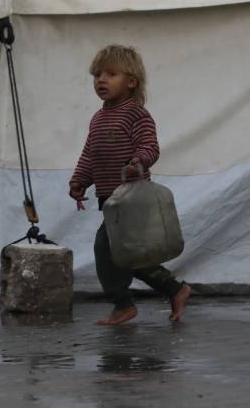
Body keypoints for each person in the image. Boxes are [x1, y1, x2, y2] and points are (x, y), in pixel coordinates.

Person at [69, 45, 191, 325]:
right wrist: (79, 180)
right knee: (128, 253)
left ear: (132, 82)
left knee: (110, 249)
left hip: (132, 199)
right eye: (97, 75)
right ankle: (175, 289)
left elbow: (150, 146)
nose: (101, 80)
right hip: (109, 200)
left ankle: (123, 304)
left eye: (111, 74)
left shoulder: (136, 114)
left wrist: (138, 161)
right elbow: (90, 153)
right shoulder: (98, 118)